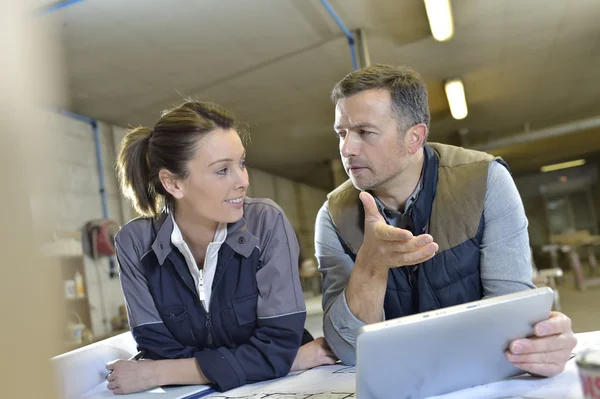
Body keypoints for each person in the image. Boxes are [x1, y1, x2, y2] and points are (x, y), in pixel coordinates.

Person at [316, 64, 577, 377]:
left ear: (414, 138)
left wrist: (541, 347)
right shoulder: (333, 216)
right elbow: (349, 351)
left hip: (482, 382)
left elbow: (511, 322)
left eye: (364, 132)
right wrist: (370, 267)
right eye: (341, 133)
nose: (347, 149)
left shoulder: (486, 182)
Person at [108, 101, 336, 394]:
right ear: (173, 183)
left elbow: (278, 347)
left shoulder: (266, 223)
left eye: (241, 164)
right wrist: (289, 359)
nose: (242, 181)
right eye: (222, 170)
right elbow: (159, 350)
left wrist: (158, 373)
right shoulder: (134, 244)